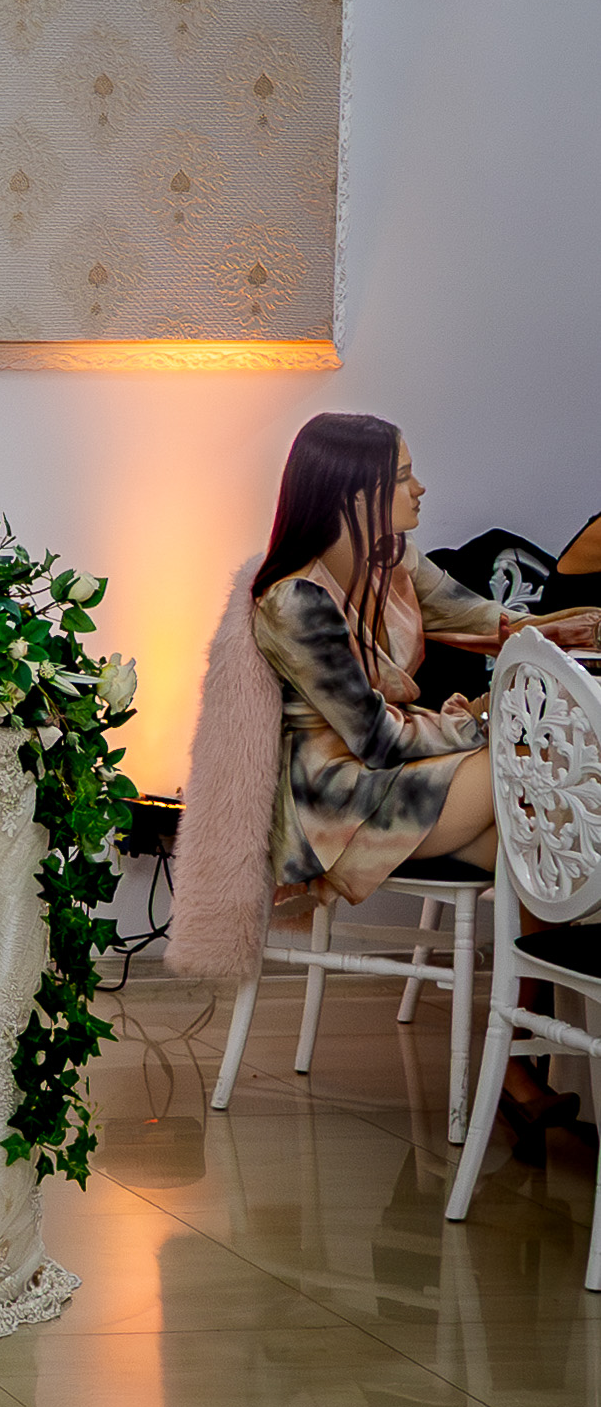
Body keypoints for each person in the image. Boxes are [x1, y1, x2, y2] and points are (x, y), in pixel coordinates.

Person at [244, 412, 601, 1148]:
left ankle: (516, 1067)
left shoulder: (394, 561)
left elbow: (481, 618)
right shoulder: (294, 601)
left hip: (400, 772)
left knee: (542, 844)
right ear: (355, 494)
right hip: (335, 798)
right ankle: (517, 1064)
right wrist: (481, 721)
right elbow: (372, 738)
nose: (421, 489)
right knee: (537, 794)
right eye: (404, 476)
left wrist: (560, 629)